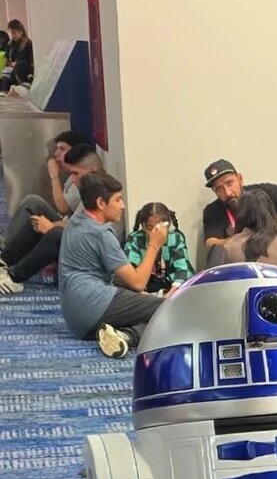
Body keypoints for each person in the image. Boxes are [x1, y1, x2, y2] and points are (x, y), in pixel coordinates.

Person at [59, 172, 168, 357]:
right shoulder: (101, 234)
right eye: (117, 200)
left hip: (75, 318)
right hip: (94, 305)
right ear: (101, 203)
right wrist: (154, 244)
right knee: (168, 309)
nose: (122, 206)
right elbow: (138, 282)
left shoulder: (77, 218)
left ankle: (115, 335)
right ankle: (127, 337)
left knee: (145, 304)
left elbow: (120, 276)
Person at [0, 145, 103, 295]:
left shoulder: (102, 195)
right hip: (82, 239)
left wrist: (51, 227)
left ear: (93, 171)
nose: (73, 179)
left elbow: (89, 232)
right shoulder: (91, 190)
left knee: (56, 234)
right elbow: (76, 222)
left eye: (76, 174)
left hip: (91, 254)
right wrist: (49, 225)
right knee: (37, 213)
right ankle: (3, 260)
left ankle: (13, 277)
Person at [201, 158, 277, 256]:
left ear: (240, 179)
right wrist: (239, 240)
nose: (227, 193)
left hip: (273, 252)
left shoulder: (263, 193)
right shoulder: (213, 210)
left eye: (229, 183)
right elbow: (210, 242)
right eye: (219, 188)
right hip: (240, 257)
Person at [123, 202, 194, 293]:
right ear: (143, 226)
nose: (155, 232)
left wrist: (169, 294)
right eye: (149, 228)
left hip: (171, 288)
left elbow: (184, 270)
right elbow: (131, 275)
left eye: (159, 228)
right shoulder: (135, 239)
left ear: (168, 225)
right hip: (143, 290)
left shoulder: (176, 237)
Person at [0, 19, 34, 92]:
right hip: (11, 72)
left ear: (21, 31)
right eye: (11, 33)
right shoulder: (10, 44)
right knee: (4, 79)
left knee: (5, 81)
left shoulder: (28, 44)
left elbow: (31, 63)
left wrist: (17, 64)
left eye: (14, 33)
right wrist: (9, 64)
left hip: (23, 73)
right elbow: (7, 60)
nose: (12, 35)